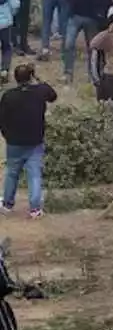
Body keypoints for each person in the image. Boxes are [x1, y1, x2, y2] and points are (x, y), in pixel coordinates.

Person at [0, 63, 56, 216]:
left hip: (14, 141)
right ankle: (35, 209)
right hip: (35, 140)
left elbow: (2, 119)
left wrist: (7, 135)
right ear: (31, 77)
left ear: (15, 78)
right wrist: (39, 79)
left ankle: (7, 204)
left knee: (12, 173)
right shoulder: (39, 92)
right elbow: (53, 95)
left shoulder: (8, 96)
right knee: (34, 174)